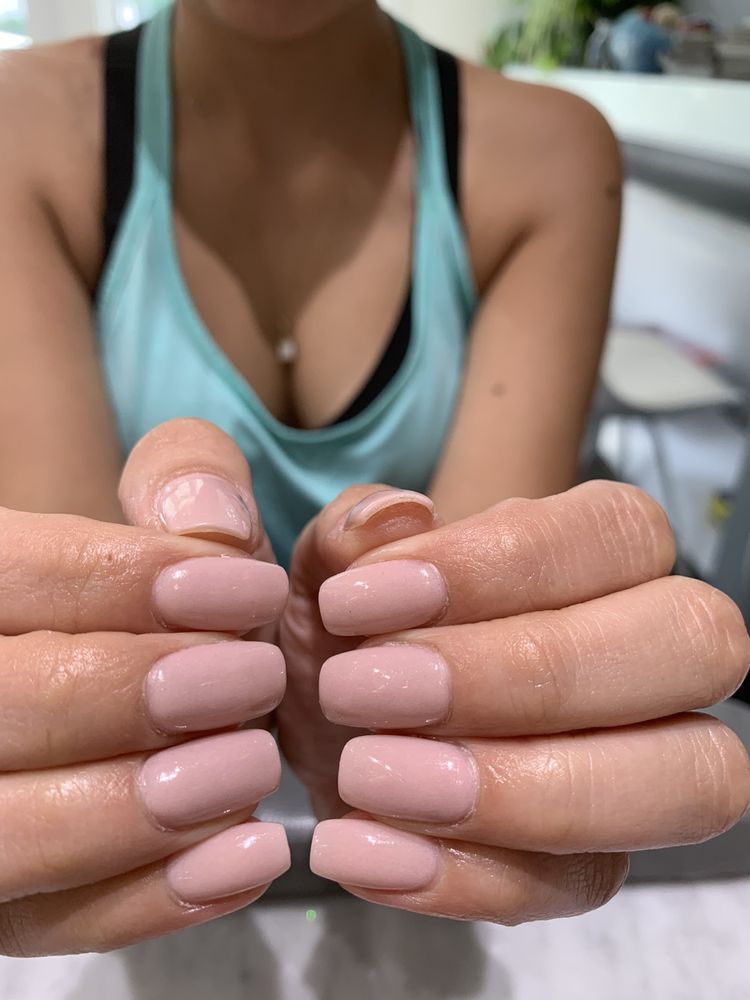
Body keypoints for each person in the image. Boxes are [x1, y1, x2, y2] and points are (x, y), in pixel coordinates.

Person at [0, 0, 747, 957]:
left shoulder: (547, 151)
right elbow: (80, 671)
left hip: (388, 874)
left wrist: (448, 689)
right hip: (148, 890)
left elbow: (466, 668)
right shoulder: (21, 126)